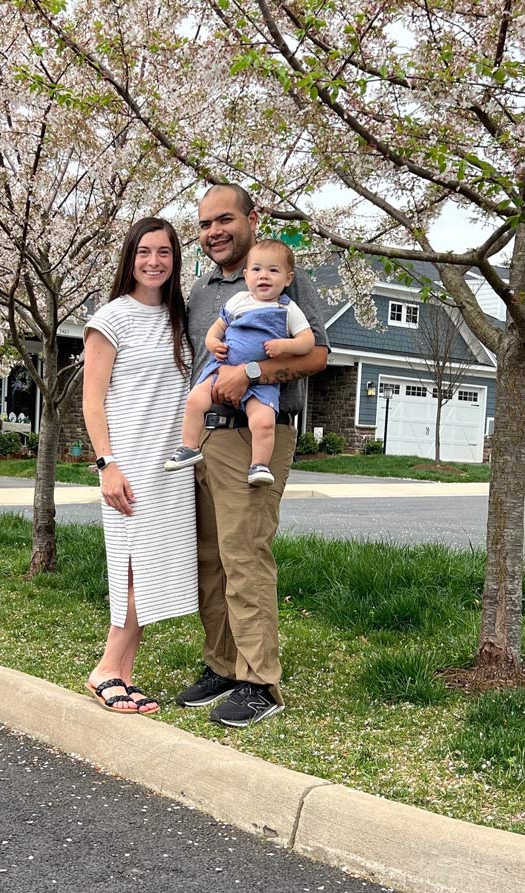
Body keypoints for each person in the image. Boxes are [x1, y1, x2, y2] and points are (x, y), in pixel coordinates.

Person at [175, 184, 330, 727]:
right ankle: (221, 664)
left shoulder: (281, 277)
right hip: (206, 437)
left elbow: (317, 355)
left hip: (256, 432)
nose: (213, 232)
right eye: (203, 224)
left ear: (251, 219)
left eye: (224, 220)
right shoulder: (201, 291)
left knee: (245, 555)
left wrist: (255, 373)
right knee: (210, 558)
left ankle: (258, 681)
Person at [82, 217, 197, 715]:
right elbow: (91, 401)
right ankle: (106, 668)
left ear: (175, 260)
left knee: (152, 571)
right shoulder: (112, 318)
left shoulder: (179, 319)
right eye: (144, 252)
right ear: (130, 257)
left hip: (170, 468)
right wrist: (107, 464)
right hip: (129, 465)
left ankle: (125, 676)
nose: (154, 261)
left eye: (165, 253)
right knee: (133, 571)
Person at [164, 238, 315, 485]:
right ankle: (189, 446)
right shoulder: (238, 301)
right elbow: (217, 328)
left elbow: (307, 341)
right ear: (246, 276)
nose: (263, 276)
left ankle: (259, 465)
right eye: (256, 270)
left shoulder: (288, 309)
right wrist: (213, 343)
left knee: (264, 421)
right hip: (221, 368)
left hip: (261, 383)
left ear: (288, 279)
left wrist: (285, 345)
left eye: (273, 271)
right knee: (195, 399)